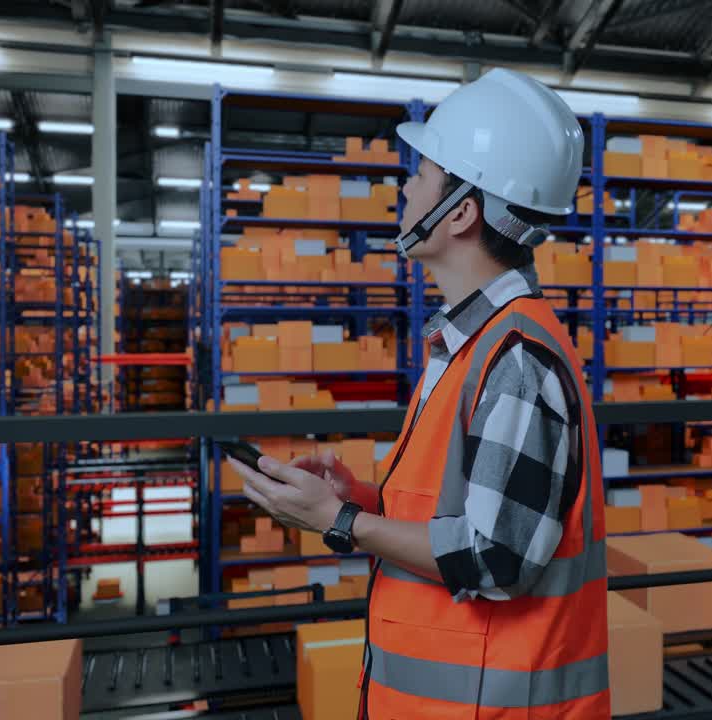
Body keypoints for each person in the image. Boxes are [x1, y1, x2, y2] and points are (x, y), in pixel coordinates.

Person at [229, 67, 610, 718]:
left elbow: (496, 557)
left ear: (460, 211)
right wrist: (363, 498)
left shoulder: (515, 359)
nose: (406, 188)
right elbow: (464, 511)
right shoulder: (471, 344)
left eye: (423, 173)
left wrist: (340, 522)